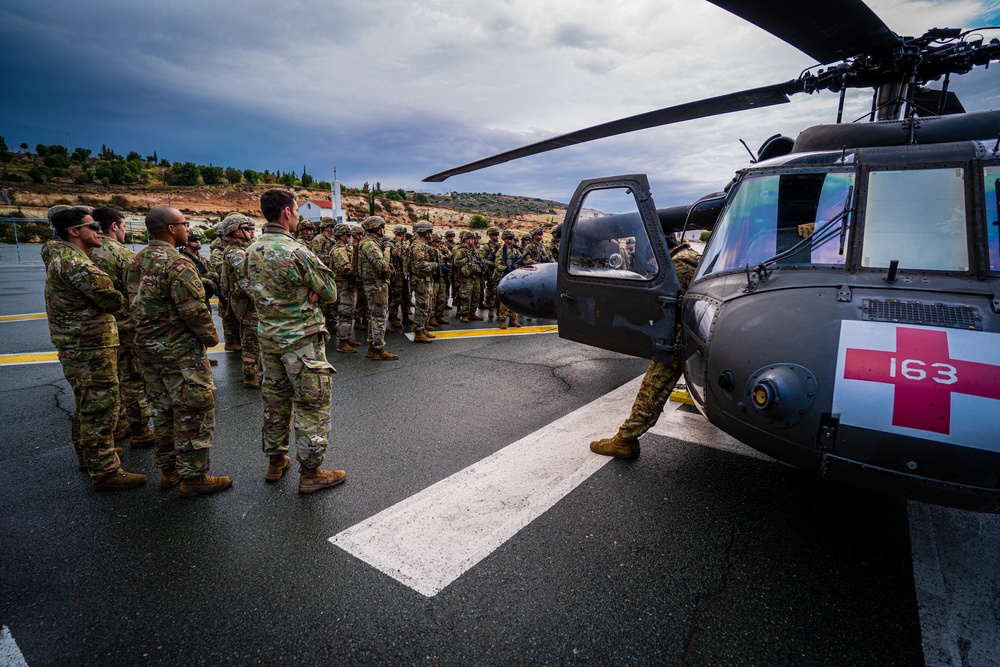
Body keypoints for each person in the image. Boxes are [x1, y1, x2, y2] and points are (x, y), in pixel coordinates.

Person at [244, 189, 345, 493]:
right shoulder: (296, 251)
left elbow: (251, 289)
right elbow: (330, 292)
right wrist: (308, 290)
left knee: (274, 402)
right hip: (300, 342)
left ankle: (276, 462)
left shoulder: (251, 250)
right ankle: (311, 473)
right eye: (298, 210)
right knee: (311, 405)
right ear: (286, 213)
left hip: (268, 338)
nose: (299, 216)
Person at [126, 206, 232, 497]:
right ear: (171, 229)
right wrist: (210, 339)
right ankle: (193, 477)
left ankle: (169, 470)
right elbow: (193, 311)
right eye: (185, 224)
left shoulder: (136, 260)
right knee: (192, 410)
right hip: (179, 351)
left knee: (161, 411)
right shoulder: (177, 264)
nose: (188, 228)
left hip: (148, 350)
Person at [45, 208, 147, 491]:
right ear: (73, 232)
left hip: (79, 344)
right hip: (90, 344)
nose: (100, 231)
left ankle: (89, 455)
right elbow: (112, 299)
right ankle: (104, 470)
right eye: (94, 226)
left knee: (86, 404)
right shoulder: (78, 264)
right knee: (99, 406)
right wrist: (116, 290)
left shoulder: (61, 256)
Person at [589, 239, 701, 458]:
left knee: (652, 388)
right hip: (696, 333)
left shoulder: (678, 266)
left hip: (678, 338)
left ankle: (625, 439)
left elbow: (661, 305)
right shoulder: (694, 257)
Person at [89, 206, 154, 446]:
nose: (125, 232)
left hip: (97, 328)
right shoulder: (121, 255)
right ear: (114, 226)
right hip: (126, 327)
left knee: (107, 380)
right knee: (133, 378)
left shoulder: (84, 253)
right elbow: (141, 293)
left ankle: (114, 426)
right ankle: (140, 430)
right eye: (124, 226)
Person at [219, 213, 261, 388]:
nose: (251, 231)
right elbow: (246, 282)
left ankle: (255, 373)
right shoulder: (236, 253)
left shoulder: (242, 249)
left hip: (248, 303)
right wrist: (263, 299)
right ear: (235, 232)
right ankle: (250, 377)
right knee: (251, 340)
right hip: (247, 304)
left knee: (253, 338)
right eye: (247, 229)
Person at [357, 216, 398, 360]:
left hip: (375, 284)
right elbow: (382, 265)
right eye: (382, 227)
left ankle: (372, 348)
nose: (384, 230)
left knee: (373, 317)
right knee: (379, 317)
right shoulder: (370, 244)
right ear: (376, 228)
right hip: (376, 286)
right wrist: (387, 250)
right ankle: (379, 350)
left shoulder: (370, 242)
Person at [329, 223, 361, 354]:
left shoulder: (345, 248)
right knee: (345, 314)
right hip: (344, 285)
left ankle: (346, 338)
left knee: (349, 314)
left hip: (349, 285)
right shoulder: (338, 251)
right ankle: (342, 343)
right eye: (347, 235)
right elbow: (345, 268)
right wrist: (359, 271)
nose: (350, 237)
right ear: (340, 236)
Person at [210, 225, 242, 352]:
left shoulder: (234, 249)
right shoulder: (218, 252)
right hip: (226, 289)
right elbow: (219, 269)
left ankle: (238, 340)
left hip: (234, 288)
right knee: (228, 317)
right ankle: (230, 341)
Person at [408, 221, 439, 343]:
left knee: (428, 305)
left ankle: (424, 327)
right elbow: (420, 264)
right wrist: (435, 265)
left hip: (426, 279)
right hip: (420, 280)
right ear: (424, 232)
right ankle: (419, 332)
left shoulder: (424, 245)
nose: (431, 234)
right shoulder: (417, 246)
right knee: (422, 306)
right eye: (430, 231)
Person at [494, 230, 524, 329]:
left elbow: (520, 260)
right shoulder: (501, 251)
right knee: (504, 300)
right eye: (510, 239)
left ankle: (513, 319)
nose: (511, 241)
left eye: (513, 239)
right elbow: (497, 265)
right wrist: (506, 269)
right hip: (504, 277)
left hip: (514, 277)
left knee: (514, 299)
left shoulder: (516, 251)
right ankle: (502, 320)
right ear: (505, 239)